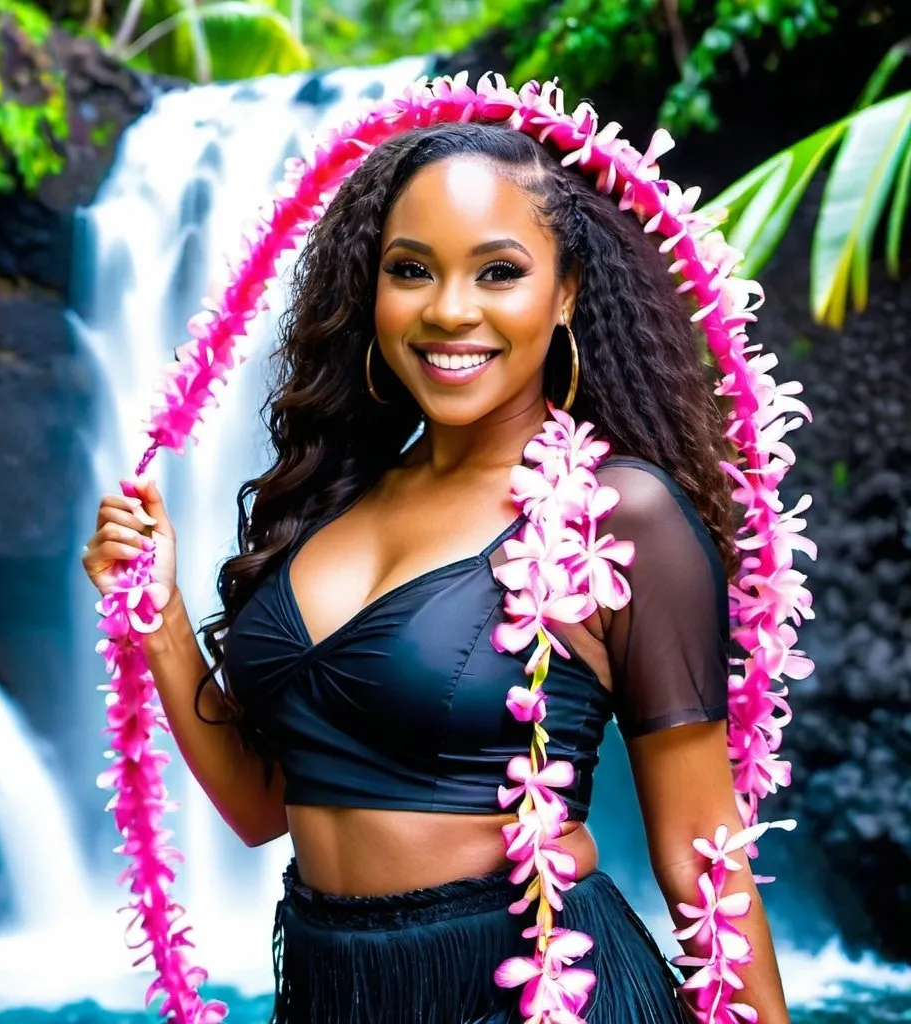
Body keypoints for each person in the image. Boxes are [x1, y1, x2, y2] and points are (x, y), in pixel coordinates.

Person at [82, 121, 790, 1023]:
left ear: (567, 293)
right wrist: (162, 620)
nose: (450, 310)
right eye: (411, 269)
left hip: (536, 993)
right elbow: (266, 807)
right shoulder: (334, 498)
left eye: (499, 271)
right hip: (335, 989)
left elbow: (702, 852)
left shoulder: (614, 515)